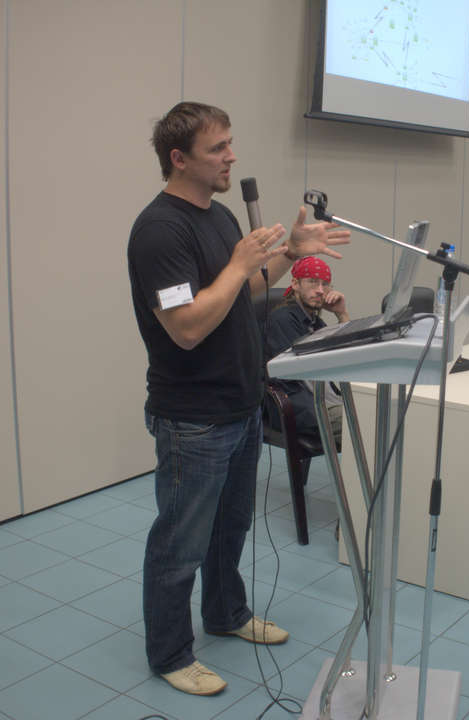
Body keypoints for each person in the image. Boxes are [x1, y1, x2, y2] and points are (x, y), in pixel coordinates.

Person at [127, 101, 349, 696]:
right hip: (192, 417)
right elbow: (187, 326)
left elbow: (245, 289)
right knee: (180, 543)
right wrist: (240, 263)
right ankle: (170, 653)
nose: (231, 156)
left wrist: (286, 253)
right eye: (218, 148)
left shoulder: (220, 216)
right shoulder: (160, 231)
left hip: (241, 403)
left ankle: (226, 613)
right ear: (179, 159)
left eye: (230, 143)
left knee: (230, 528)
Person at [266, 256, 349, 439]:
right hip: (307, 409)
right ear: (295, 284)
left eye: (325, 284)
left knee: (375, 416)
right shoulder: (283, 319)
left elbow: (346, 356)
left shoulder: (314, 322)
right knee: (369, 423)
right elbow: (295, 372)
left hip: (327, 402)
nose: (320, 290)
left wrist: (341, 314)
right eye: (313, 282)